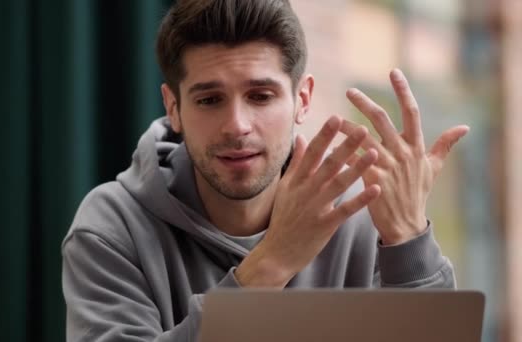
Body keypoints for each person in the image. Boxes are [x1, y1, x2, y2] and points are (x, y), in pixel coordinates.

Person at [61, 0, 469, 341]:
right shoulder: (111, 225)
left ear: (302, 100)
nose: (237, 124)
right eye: (209, 100)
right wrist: (274, 260)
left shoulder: (364, 214)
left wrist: (409, 241)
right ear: (173, 108)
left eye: (260, 95)